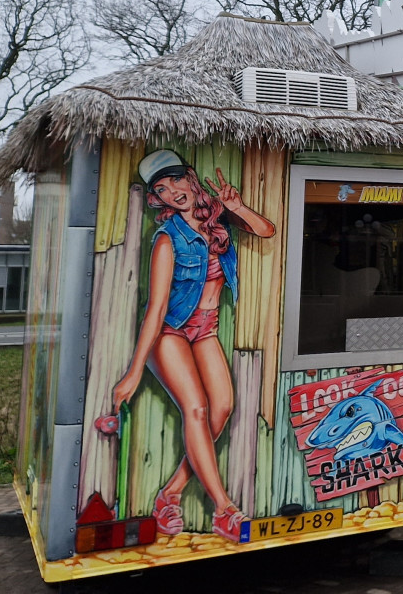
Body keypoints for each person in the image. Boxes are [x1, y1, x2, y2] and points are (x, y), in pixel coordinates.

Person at [112, 150, 276, 543]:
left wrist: (238, 207)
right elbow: (156, 309)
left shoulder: (217, 218)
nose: (172, 192)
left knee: (221, 408)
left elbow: (266, 230)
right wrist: (133, 373)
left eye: (175, 181)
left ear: (190, 177)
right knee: (197, 408)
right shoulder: (167, 240)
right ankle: (224, 509)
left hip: (205, 329)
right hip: (170, 331)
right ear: (158, 198)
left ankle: (169, 493)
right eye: (161, 189)